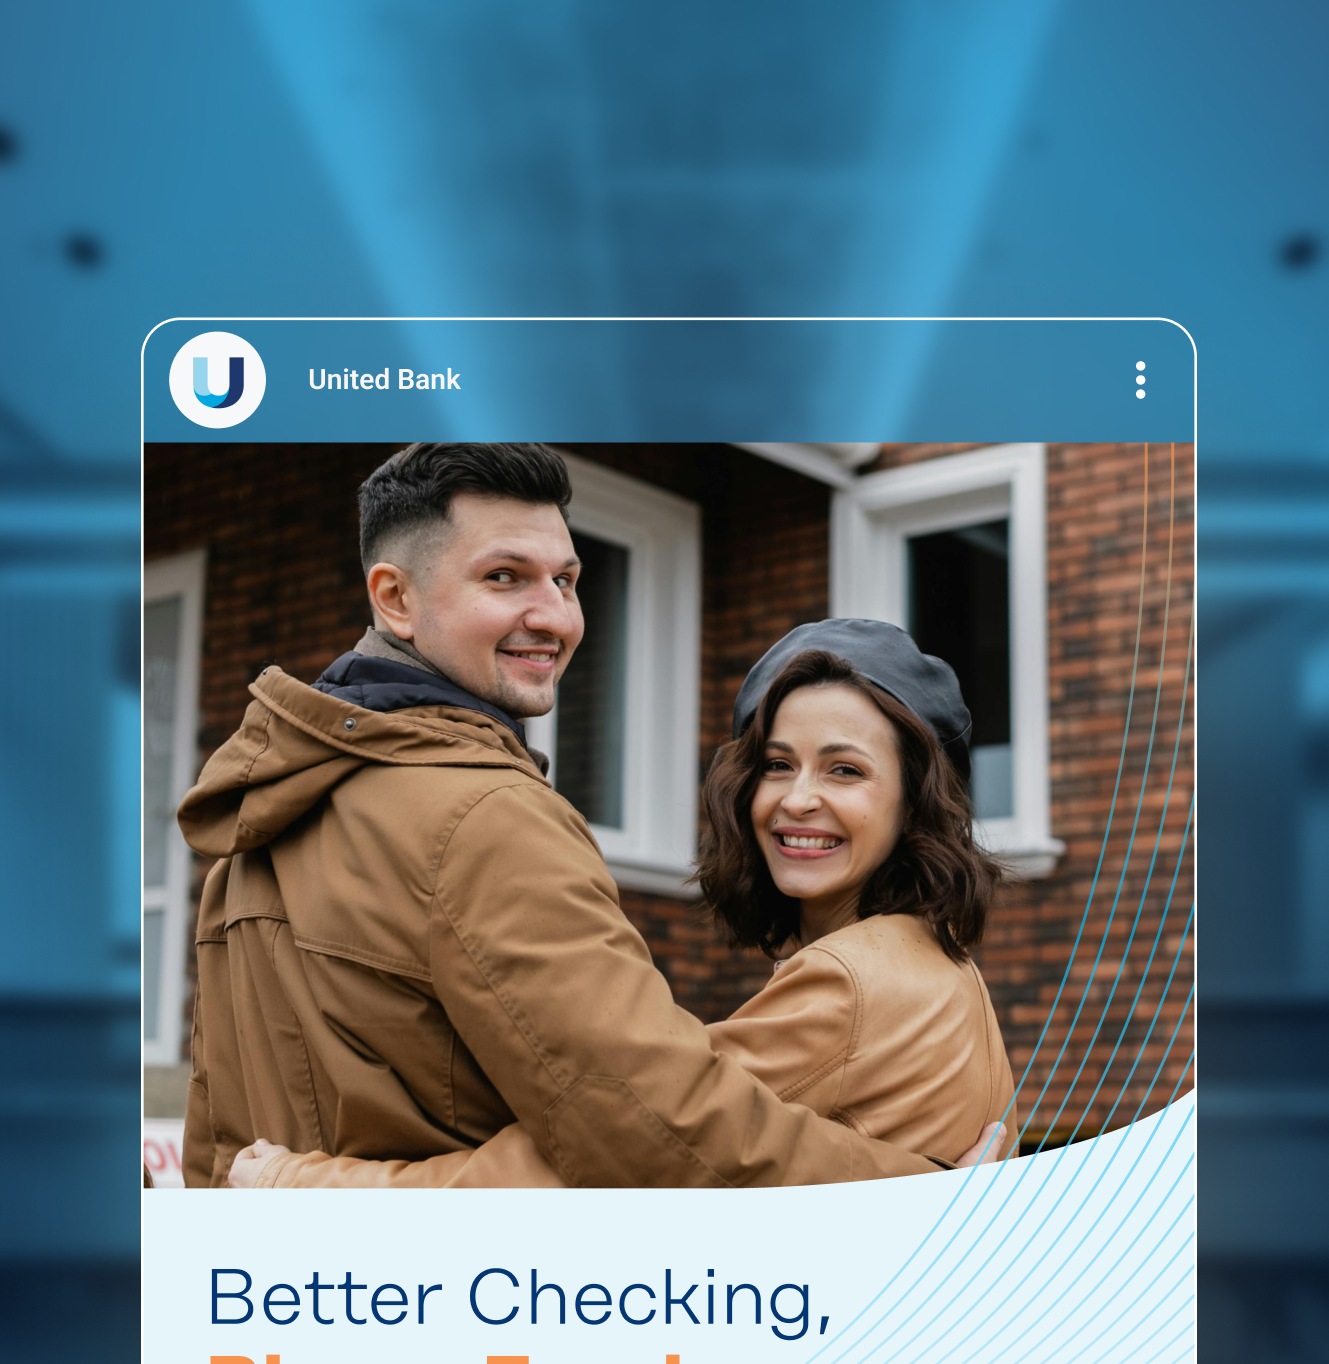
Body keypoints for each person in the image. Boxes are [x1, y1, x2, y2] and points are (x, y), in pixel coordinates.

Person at [179, 446, 968, 1191]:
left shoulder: (265, 816)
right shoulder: (486, 815)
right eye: (505, 577)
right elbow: (657, 1130)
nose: (555, 617)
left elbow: (217, 1150)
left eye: (566, 580)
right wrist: (938, 1200)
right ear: (395, 597)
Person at [229, 619, 1016, 1190]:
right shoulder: (936, 961)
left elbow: (618, 1152)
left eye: (844, 771)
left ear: (916, 803)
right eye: (778, 764)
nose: (797, 799)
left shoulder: (854, 979)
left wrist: (302, 1184)